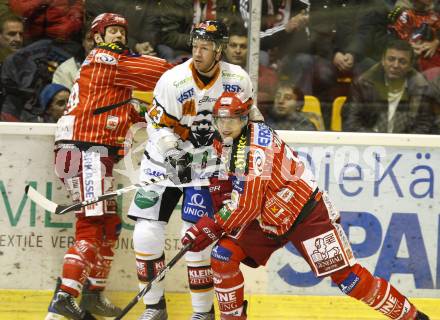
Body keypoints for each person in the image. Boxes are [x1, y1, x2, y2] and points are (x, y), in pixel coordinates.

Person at [180, 91, 431, 320]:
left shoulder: (257, 148)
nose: (225, 126)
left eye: (232, 119)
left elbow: (246, 206)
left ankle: (413, 317)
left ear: (245, 119)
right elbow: (219, 179)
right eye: (220, 119)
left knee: (349, 280)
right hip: (266, 218)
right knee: (223, 256)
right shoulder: (224, 140)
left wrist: (212, 224)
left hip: (306, 215)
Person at [127, 20, 263, 320]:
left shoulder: (237, 79)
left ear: (219, 50)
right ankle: (154, 308)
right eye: (195, 46)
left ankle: (202, 313)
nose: (198, 52)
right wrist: (173, 152)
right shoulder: (172, 80)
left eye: (205, 47)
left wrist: (257, 148)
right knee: (146, 235)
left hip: (206, 165)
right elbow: (157, 123)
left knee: (196, 238)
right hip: (163, 160)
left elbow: (251, 118)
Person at [45, 13, 171, 320]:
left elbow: (127, 110)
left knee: (109, 225)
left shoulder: (110, 73)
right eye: (111, 31)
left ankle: (91, 294)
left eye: (121, 32)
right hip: (84, 150)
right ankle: (66, 295)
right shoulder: (105, 58)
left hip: (89, 152)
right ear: (98, 37)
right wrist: (189, 71)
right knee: (91, 224)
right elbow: (158, 71)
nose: (118, 36)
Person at [342, 39, 433, 133]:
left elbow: (424, 124)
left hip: (405, 144)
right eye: (391, 59)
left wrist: (404, 143)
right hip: (369, 141)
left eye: (402, 62)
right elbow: (351, 121)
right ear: (383, 60)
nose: (395, 65)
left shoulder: (420, 86)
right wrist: (376, 141)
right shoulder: (363, 83)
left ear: (410, 65)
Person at [224, 22, 278, 115]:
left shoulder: (268, 76)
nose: (238, 51)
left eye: (243, 46)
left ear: (252, 49)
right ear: (225, 48)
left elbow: (272, 103)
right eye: (233, 45)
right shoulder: (213, 73)